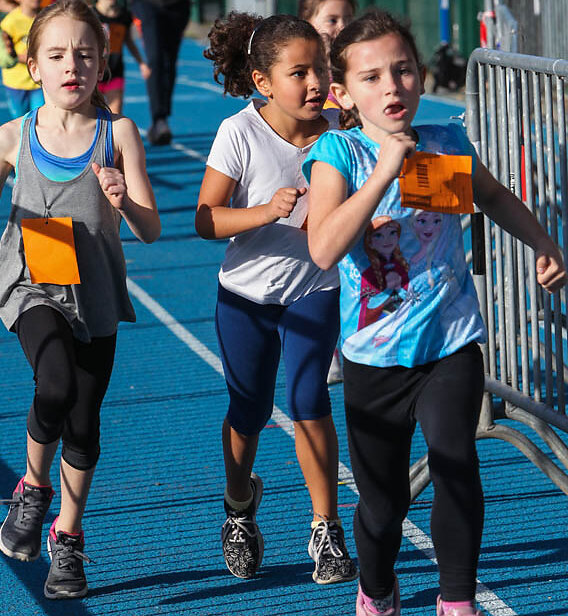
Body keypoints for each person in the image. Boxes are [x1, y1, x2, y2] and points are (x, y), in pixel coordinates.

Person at [303, 8, 566, 616]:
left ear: (420, 76)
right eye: (371, 77)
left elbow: (492, 195)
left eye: (403, 70)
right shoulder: (338, 153)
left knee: (456, 464)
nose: (391, 86)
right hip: (375, 359)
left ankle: (457, 600)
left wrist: (543, 242)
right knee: (383, 504)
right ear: (343, 93)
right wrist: (383, 173)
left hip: (450, 342)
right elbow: (323, 248)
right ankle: (377, 589)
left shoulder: (444, 143)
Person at [0, 0, 160, 599]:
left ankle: (67, 536)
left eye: (86, 55)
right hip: (31, 282)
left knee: (85, 423)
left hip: (95, 290)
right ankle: (33, 488)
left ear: (102, 64)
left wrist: (123, 200)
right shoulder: (14, 135)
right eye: (58, 55)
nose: (73, 66)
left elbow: (150, 229)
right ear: (33, 66)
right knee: (56, 386)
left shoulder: (119, 134)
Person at [196, 12, 356, 585]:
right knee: (251, 411)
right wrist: (265, 211)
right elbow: (205, 219)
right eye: (299, 73)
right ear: (263, 82)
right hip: (246, 295)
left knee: (310, 399)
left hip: (315, 287)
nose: (316, 83)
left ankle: (326, 527)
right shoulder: (239, 133)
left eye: (322, 70)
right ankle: (239, 506)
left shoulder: (341, 129)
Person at [300, 0, 355, 383]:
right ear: (308, 21)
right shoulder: (305, 74)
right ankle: (329, 348)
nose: (341, 26)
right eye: (331, 19)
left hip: (356, 182)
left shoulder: (358, 65)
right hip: (317, 184)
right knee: (322, 268)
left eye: (347, 18)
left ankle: (350, 341)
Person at [131, 0, 189, 145]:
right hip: (148, 4)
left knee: (170, 62)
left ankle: (163, 116)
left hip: (177, 6)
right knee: (155, 60)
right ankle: (158, 118)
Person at [94, 0, 150, 114]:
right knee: (90, 116)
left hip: (115, 72)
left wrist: (141, 63)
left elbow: (128, 41)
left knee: (115, 117)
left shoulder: (124, 16)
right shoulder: (90, 15)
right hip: (93, 74)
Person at [0, 0, 44, 117]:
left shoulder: (45, 19)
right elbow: (3, 53)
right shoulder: (10, 22)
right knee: (21, 121)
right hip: (16, 83)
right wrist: (19, 57)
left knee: (39, 120)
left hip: (40, 82)